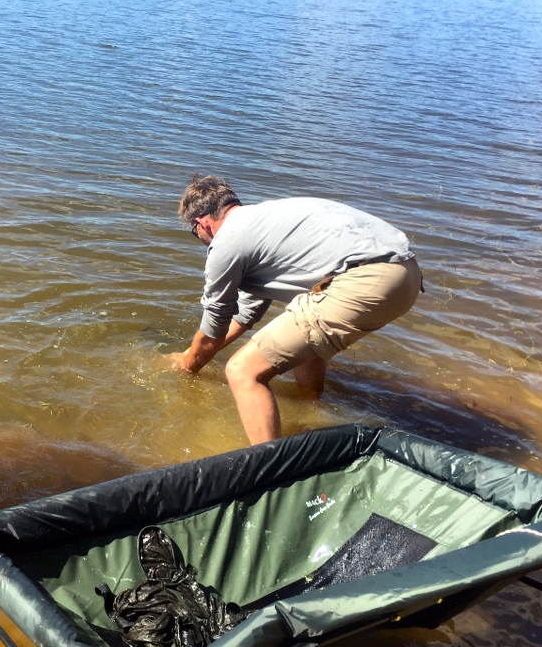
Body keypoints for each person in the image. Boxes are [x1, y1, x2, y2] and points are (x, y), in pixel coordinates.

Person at [169, 175, 421, 445]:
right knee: (305, 344)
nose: (200, 239)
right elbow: (245, 313)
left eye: (195, 232)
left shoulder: (226, 241)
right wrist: (198, 355)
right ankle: (312, 415)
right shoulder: (264, 223)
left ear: (203, 222)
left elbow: (215, 324)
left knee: (242, 370)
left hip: (366, 280)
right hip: (406, 274)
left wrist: (186, 364)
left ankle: (270, 471)